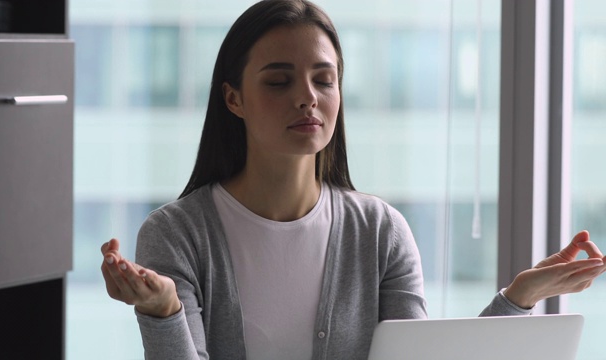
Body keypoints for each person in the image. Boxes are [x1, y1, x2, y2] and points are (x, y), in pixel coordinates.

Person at [100, 0, 606, 359]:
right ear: (233, 99)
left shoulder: (381, 230)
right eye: (279, 81)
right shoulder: (177, 233)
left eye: (324, 80)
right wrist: (164, 312)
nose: (308, 98)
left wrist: (517, 300)